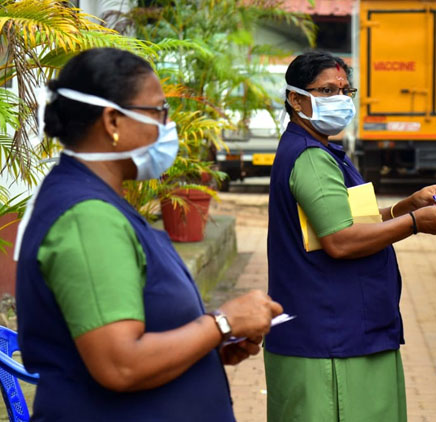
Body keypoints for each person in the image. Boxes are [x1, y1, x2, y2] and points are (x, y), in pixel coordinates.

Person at [14, 48, 283, 421]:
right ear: (112, 121)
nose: (167, 125)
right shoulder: (87, 218)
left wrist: (207, 347)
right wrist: (222, 322)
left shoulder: (102, 202)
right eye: (158, 112)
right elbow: (119, 364)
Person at [264, 51, 436, 421]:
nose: (339, 100)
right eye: (325, 91)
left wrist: (405, 206)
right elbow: (340, 240)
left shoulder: (324, 150)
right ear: (295, 98)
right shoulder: (310, 157)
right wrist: (415, 222)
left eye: (344, 90)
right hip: (330, 336)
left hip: (345, 328)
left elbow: (349, 220)